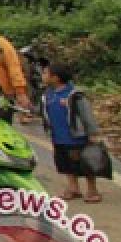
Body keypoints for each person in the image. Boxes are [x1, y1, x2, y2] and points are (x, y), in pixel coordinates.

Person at [41, 62, 106, 204]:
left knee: (85, 163)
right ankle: (73, 188)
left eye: (46, 73)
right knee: (65, 164)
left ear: (56, 78)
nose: (43, 75)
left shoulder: (74, 95)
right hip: (58, 137)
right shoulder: (48, 95)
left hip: (76, 137)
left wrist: (92, 132)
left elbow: (86, 114)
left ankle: (92, 190)